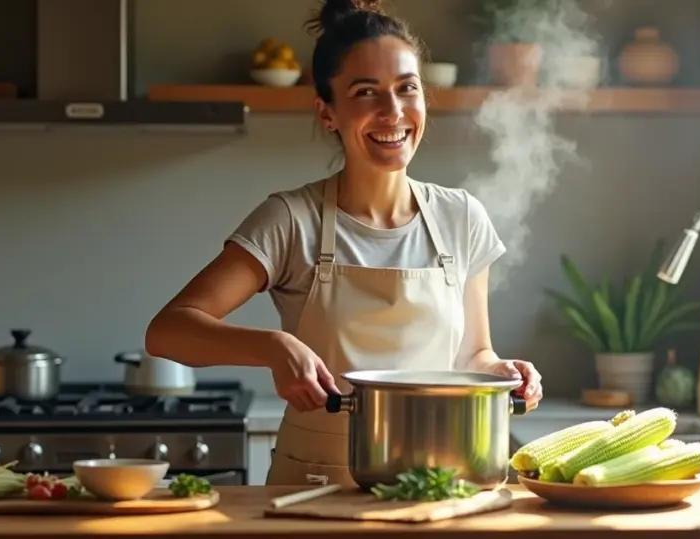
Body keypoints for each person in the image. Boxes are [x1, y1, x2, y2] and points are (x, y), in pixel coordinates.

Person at [144, 0, 543, 487]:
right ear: (327, 112)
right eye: (366, 92)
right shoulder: (292, 220)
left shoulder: (461, 217)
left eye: (406, 88)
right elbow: (167, 331)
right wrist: (273, 346)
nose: (392, 112)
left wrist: (500, 372)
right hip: (314, 489)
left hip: (436, 484)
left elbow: (472, 356)